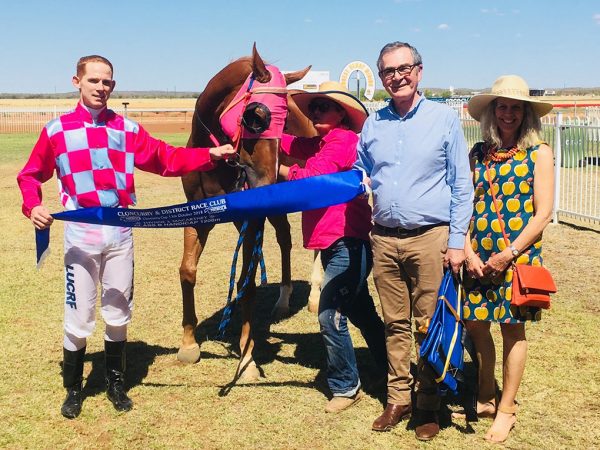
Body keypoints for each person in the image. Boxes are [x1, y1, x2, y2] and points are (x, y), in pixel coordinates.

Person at [16, 55, 235, 419]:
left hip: (120, 236)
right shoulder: (56, 130)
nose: (101, 88)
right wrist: (32, 206)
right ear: (77, 81)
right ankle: (73, 388)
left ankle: (115, 382)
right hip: (81, 238)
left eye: (108, 82)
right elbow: (29, 175)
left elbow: (166, 158)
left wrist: (208, 155)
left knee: (118, 313)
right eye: (94, 81)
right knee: (79, 315)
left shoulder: (127, 130)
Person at [354, 42, 473, 440]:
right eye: (388, 71)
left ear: (419, 71)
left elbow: (461, 184)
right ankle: (397, 397)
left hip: (430, 239)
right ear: (382, 78)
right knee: (394, 324)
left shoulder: (444, 120)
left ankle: (428, 404)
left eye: (404, 68)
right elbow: (360, 170)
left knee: (429, 325)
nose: (397, 77)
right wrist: (352, 180)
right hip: (384, 240)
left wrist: (456, 241)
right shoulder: (374, 123)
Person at [278, 81, 387, 413]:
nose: (316, 112)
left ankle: (345, 386)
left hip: (348, 245)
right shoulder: (320, 142)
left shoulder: (343, 142)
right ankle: (393, 368)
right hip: (335, 244)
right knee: (362, 313)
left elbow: (313, 178)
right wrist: (257, 133)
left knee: (330, 315)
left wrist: (278, 170)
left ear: (341, 113)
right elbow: (287, 141)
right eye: (313, 108)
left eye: (324, 106)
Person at [461, 75, 554, 443]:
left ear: (526, 113)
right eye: (502, 106)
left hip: (517, 258)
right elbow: (465, 204)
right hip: (477, 258)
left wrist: (508, 253)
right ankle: (485, 389)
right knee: (476, 324)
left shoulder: (539, 152)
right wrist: (467, 249)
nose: (509, 113)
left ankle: (507, 408)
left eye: (516, 107)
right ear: (492, 112)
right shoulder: (478, 153)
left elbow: (542, 213)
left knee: (512, 330)